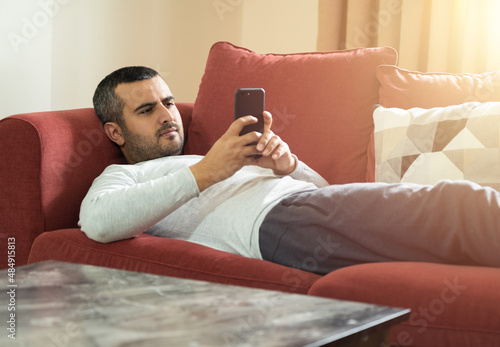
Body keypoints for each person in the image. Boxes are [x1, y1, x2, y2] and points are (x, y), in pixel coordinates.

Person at [79, 66, 500, 275]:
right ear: (115, 131)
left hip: (303, 208)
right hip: (279, 224)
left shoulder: (215, 156)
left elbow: (322, 191)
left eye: (169, 102)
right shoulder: (126, 177)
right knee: (459, 206)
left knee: (458, 220)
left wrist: (288, 166)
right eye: (147, 109)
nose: (167, 116)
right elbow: (97, 222)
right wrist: (209, 170)